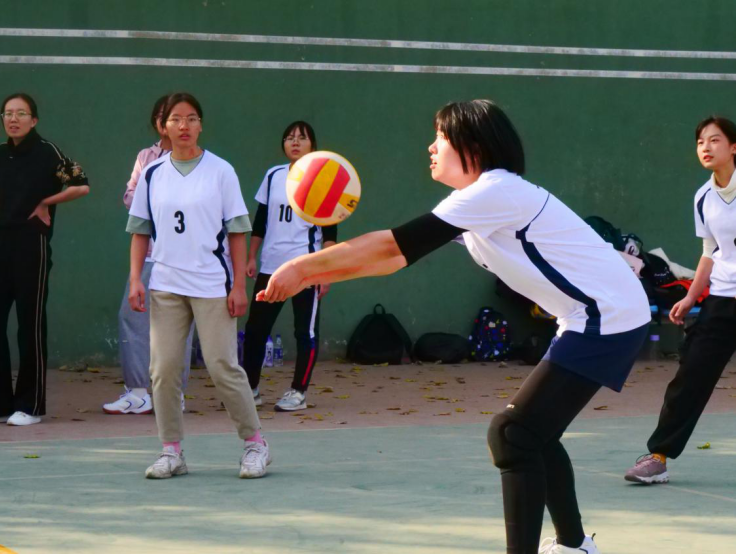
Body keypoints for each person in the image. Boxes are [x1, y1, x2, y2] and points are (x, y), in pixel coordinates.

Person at [256, 100, 651, 555]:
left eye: (440, 138)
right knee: (533, 434)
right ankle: (574, 546)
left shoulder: (496, 191)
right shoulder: (479, 199)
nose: (431, 147)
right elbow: (394, 259)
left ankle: (567, 545)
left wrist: (302, 266)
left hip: (606, 318)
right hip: (594, 316)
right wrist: (309, 275)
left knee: (512, 434)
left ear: (473, 148)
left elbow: (390, 245)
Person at [127, 92, 270, 480]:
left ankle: (255, 444)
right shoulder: (153, 173)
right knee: (163, 370)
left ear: (201, 125)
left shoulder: (221, 171)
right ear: (164, 127)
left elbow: (237, 231)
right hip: (166, 285)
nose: (184, 125)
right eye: (176, 119)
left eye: (191, 118)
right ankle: (171, 452)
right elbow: (140, 230)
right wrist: (136, 278)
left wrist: (238, 286)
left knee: (223, 367)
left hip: (211, 284)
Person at [625, 116, 736, 485]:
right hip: (721, 300)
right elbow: (709, 252)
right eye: (701, 142)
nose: (706, 147)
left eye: (715, 140)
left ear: (733, 147)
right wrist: (690, 297)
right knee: (690, 378)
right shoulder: (703, 197)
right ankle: (657, 457)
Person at [0, 93, 90, 427]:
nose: (13, 119)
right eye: (8, 113)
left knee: (30, 324)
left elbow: (81, 186)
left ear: (33, 120)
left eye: (21, 113)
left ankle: (31, 405)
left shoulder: (47, 151)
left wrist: (46, 202)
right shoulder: (0, 153)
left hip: (32, 242)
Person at [103, 94, 195, 416]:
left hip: (185, 257)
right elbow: (130, 197)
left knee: (179, 325)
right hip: (151, 255)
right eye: (166, 117)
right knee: (131, 317)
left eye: (185, 118)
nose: (176, 124)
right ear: (159, 123)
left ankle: (174, 394)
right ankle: (139, 393)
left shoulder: (198, 162)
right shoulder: (146, 157)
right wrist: (151, 196)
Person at [243, 121, 337, 412]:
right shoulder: (273, 175)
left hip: (305, 268)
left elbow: (330, 232)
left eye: (301, 137)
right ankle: (250, 389)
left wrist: (325, 271)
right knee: (255, 330)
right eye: (289, 137)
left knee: (304, 332)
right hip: (271, 266)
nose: (294, 142)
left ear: (312, 144)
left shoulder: (323, 178)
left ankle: (298, 392)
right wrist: (251, 256)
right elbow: (261, 220)